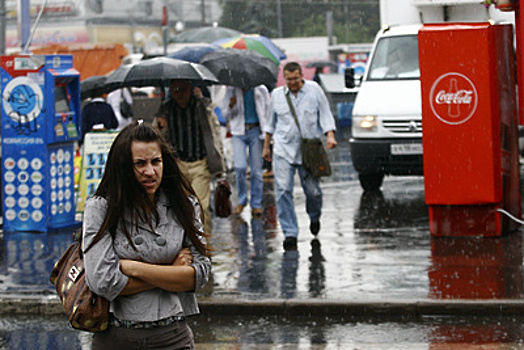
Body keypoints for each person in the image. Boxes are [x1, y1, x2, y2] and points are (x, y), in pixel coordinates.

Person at [82, 121, 212, 349]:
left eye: (156, 162)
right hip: (117, 337)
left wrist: (134, 268)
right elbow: (103, 281)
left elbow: (200, 274)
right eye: (139, 164)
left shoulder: (184, 204)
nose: (150, 171)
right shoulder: (101, 207)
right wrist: (172, 272)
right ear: (123, 166)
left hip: (173, 336)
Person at [262, 62, 337, 251]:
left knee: (314, 192)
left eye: (296, 79)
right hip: (283, 150)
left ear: (302, 75)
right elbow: (270, 124)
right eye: (289, 80)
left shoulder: (314, 90)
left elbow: (325, 115)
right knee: (283, 191)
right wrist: (266, 147)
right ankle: (290, 232)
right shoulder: (278, 96)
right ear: (284, 79)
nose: (293, 83)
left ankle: (314, 216)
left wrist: (330, 135)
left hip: (309, 152)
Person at [153, 79, 225, 235]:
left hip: (199, 163)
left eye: (183, 89)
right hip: (177, 165)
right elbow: (156, 138)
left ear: (191, 90)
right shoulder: (165, 110)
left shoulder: (202, 107)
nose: (179, 94)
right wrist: (160, 127)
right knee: (179, 208)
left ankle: (203, 245)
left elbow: (214, 134)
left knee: (201, 207)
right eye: (175, 90)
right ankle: (186, 243)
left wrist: (219, 165)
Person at [222, 85, 270, 217]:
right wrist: (231, 105)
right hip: (238, 132)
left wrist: (268, 135)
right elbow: (225, 115)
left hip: (256, 131)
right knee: (240, 167)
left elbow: (268, 111)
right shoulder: (232, 90)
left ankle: (256, 204)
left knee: (256, 171)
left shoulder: (261, 89)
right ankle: (242, 200)